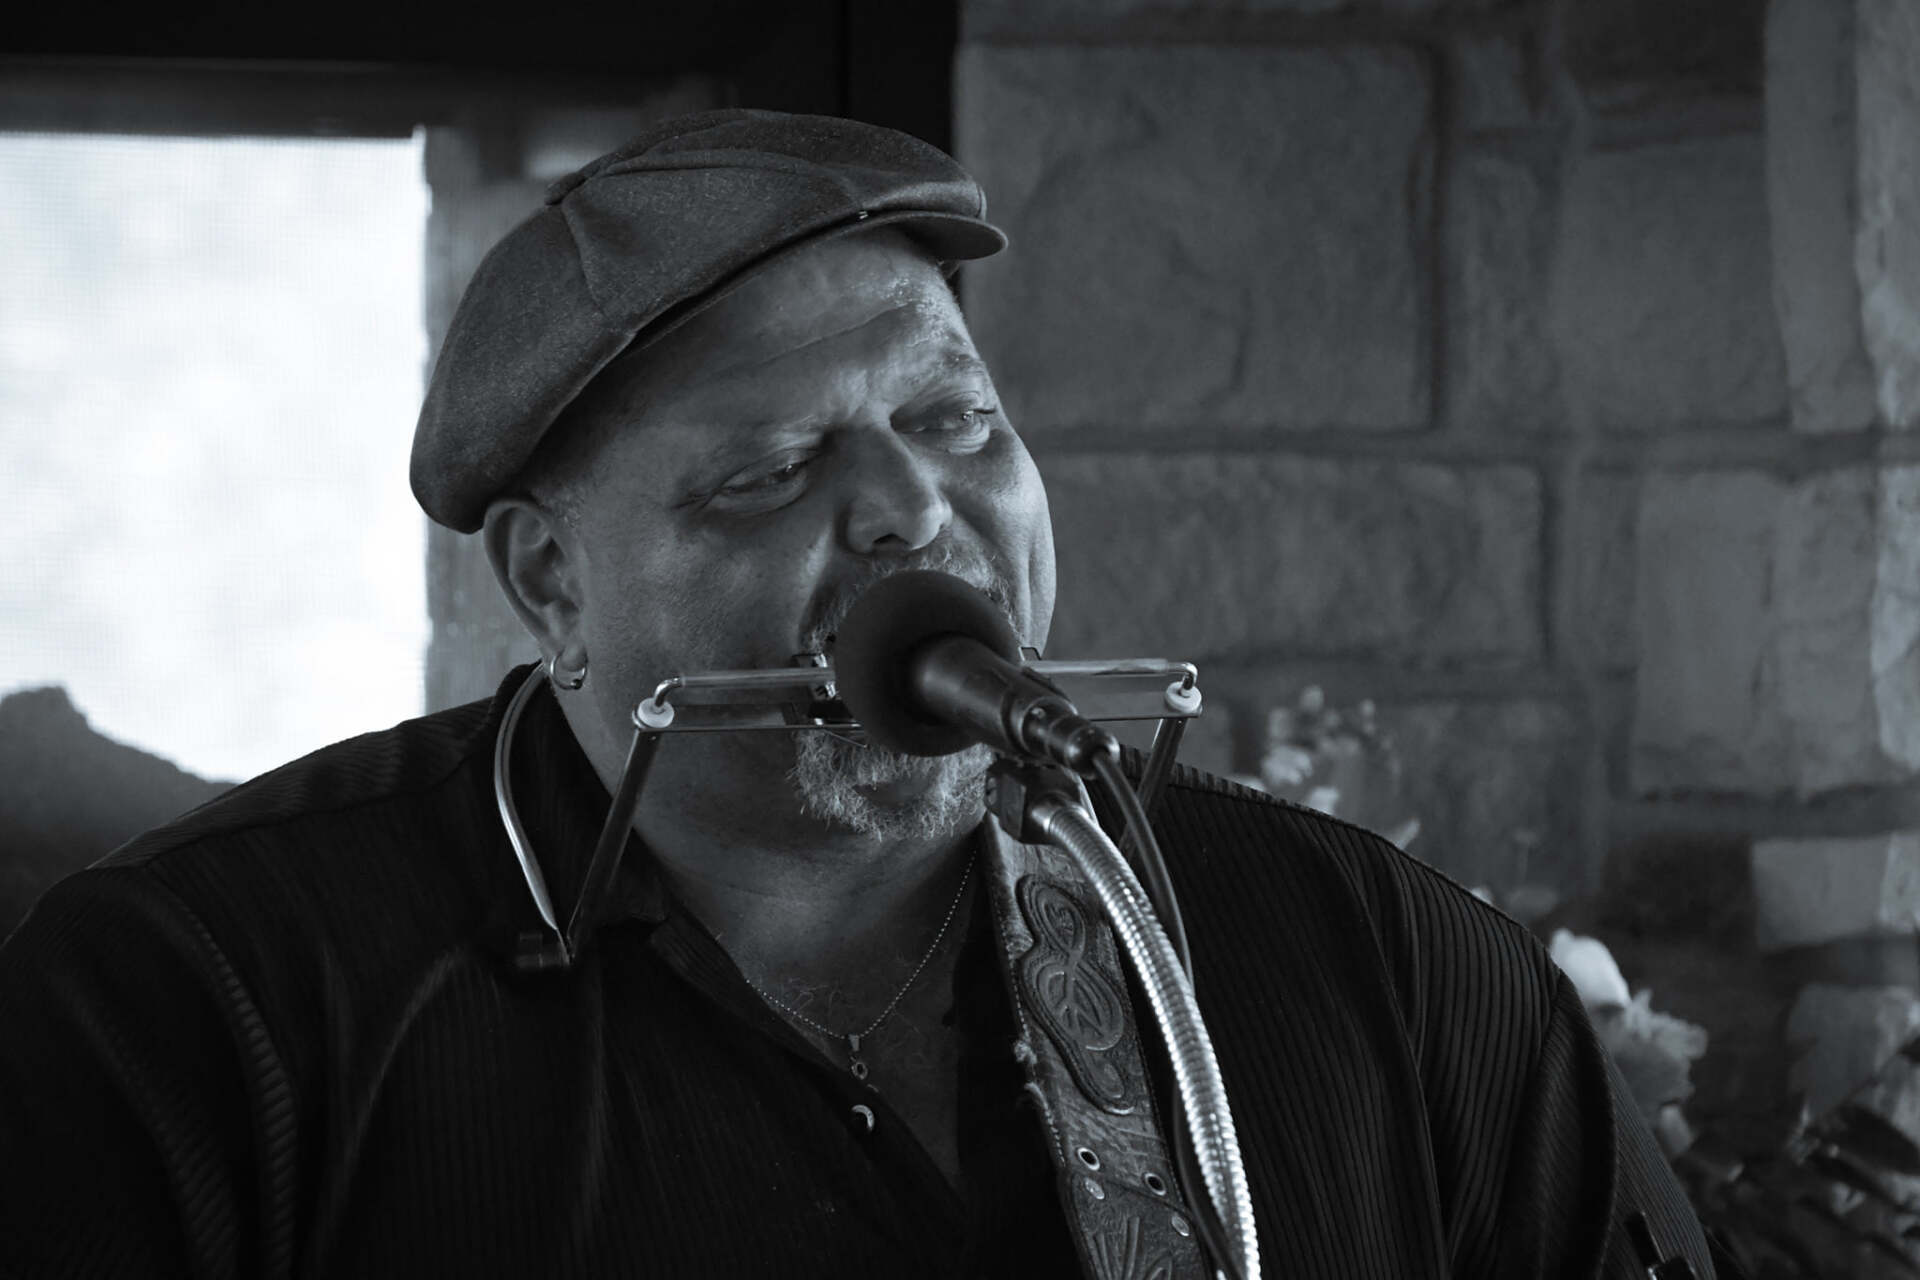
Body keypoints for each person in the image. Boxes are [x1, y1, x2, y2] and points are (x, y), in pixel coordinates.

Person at [0, 109, 1725, 1279]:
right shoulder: (195, 1009)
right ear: (551, 584)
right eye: (772, 469)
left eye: (956, 421)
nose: (911, 507)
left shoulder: (1391, 969)